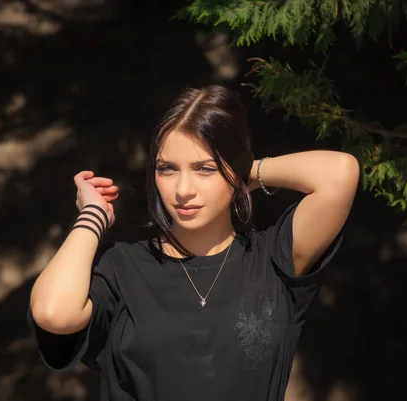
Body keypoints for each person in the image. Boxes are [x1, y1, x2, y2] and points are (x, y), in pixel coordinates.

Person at [28, 85, 359, 401]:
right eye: (167, 169)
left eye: (204, 169)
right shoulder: (121, 267)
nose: (183, 189)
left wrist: (243, 172)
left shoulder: (273, 259)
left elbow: (339, 173)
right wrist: (93, 216)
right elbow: (53, 313)